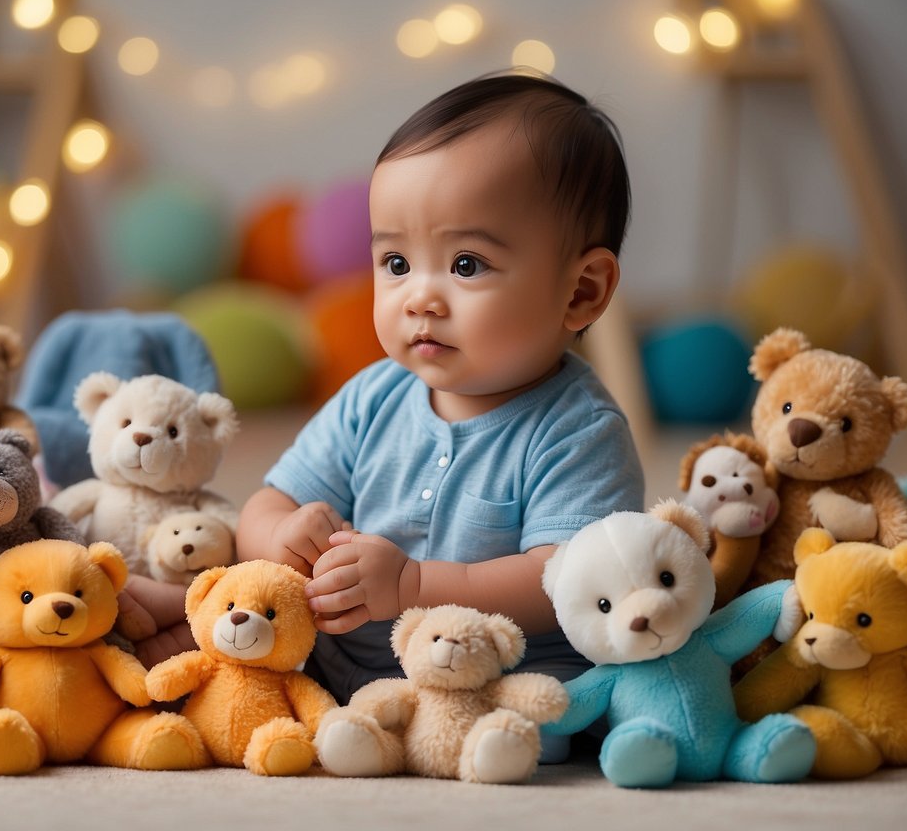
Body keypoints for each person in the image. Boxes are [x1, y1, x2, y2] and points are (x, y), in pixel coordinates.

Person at [236, 71, 644, 761]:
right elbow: (263, 504)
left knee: (546, 716)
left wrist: (414, 586)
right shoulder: (372, 396)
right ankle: (358, 722)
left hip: (500, 685)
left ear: (580, 292)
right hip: (340, 672)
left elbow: (565, 579)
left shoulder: (578, 427)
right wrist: (282, 537)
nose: (419, 297)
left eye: (464, 263)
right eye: (395, 261)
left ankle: (460, 745)